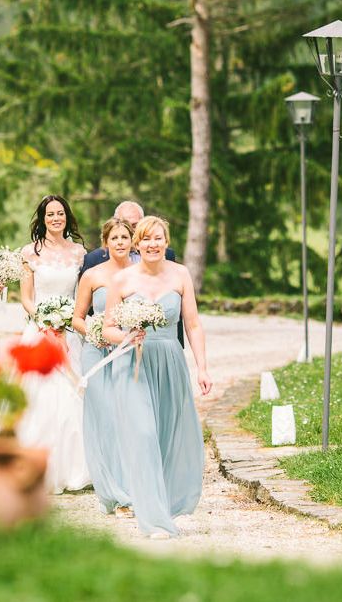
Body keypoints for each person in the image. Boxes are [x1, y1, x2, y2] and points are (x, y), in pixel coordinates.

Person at [102, 216, 212, 539]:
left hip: (169, 360)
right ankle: (154, 521)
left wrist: (202, 367)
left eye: (158, 238)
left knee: (166, 436)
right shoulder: (122, 280)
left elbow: (192, 324)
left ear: (166, 242)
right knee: (144, 433)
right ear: (138, 243)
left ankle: (161, 505)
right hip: (133, 363)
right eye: (146, 239)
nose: (152, 244)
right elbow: (107, 326)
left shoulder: (181, 275)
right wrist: (125, 334)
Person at [17, 195, 90, 493]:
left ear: (67, 217)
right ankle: (37, 468)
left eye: (60, 213)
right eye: (50, 214)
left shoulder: (79, 253)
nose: (55, 218)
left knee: (74, 397)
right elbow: (25, 297)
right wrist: (45, 322)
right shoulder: (29, 253)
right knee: (39, 399)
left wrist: (65, 322)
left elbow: (81, 295)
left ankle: (76, 469)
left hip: (70, 332)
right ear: (42, 219)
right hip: (39, 331)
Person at [72, 218, 134, 517]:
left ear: (132, 241)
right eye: (115, 238)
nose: (120, 242)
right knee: (104, 419)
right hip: (96, 353)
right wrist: (93, 333)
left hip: (128, 353)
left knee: (126, 418)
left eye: (125, 237)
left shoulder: (139, 275)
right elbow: (77, 317)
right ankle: (113, 493)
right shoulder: (92, 275)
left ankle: (132, 486)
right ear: (105, 243)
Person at [80, 201, 184, 347]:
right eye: (126, 224)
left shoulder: (162, 253)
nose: (130, 231)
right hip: (107, 343)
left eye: (135, 225)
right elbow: (84, 311)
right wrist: (98, 334)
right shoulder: (93, 259)